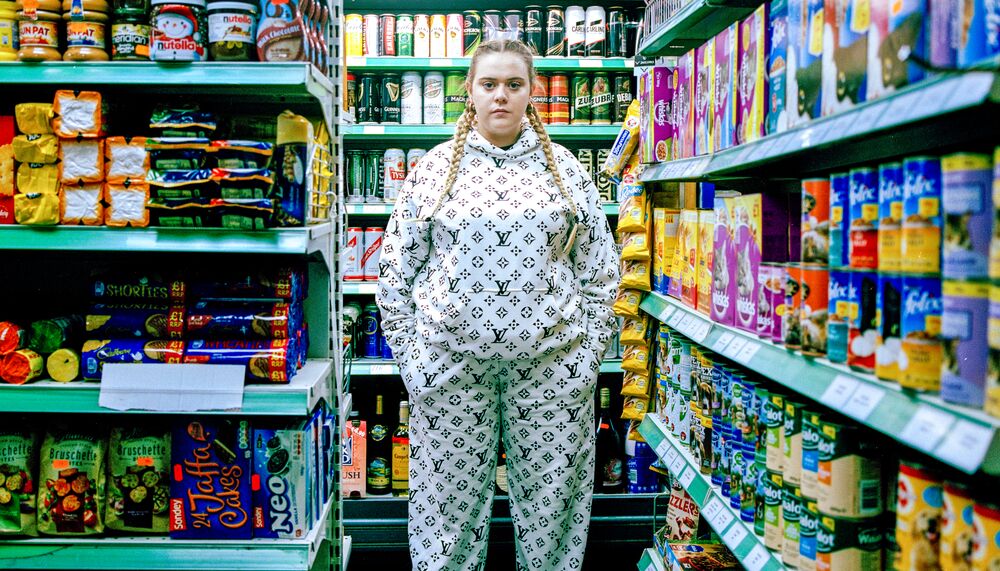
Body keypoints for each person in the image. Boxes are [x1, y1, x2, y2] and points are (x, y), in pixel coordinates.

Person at [376, 39, 620, 571]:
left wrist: (587, 360)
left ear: (532, 91)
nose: (501, 96)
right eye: (489, 85)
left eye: (514, 84)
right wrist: (415, 364)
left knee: (554, 512)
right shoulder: (435, 169)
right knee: (446, 516)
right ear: (470, 91)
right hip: (451, 371)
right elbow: (395, 275)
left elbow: (602, 273)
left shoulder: (568, 171)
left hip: (553, 371)